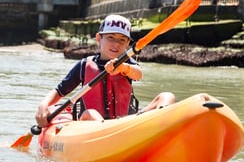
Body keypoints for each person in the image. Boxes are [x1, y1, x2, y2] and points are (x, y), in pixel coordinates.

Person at [35, 14, 175, 128]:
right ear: (98, 38)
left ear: (127, 44)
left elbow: (138, 74)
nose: (116, 44)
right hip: (91, 124)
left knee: (167, 96)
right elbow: (60, 91)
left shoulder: (127, 63)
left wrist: (122, 67)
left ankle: (161, 128)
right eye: (110, 37)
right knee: (91, 113)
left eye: (122, 40)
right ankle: (107, 133)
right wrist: (44, 105)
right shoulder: (84, 65)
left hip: (125, 122)